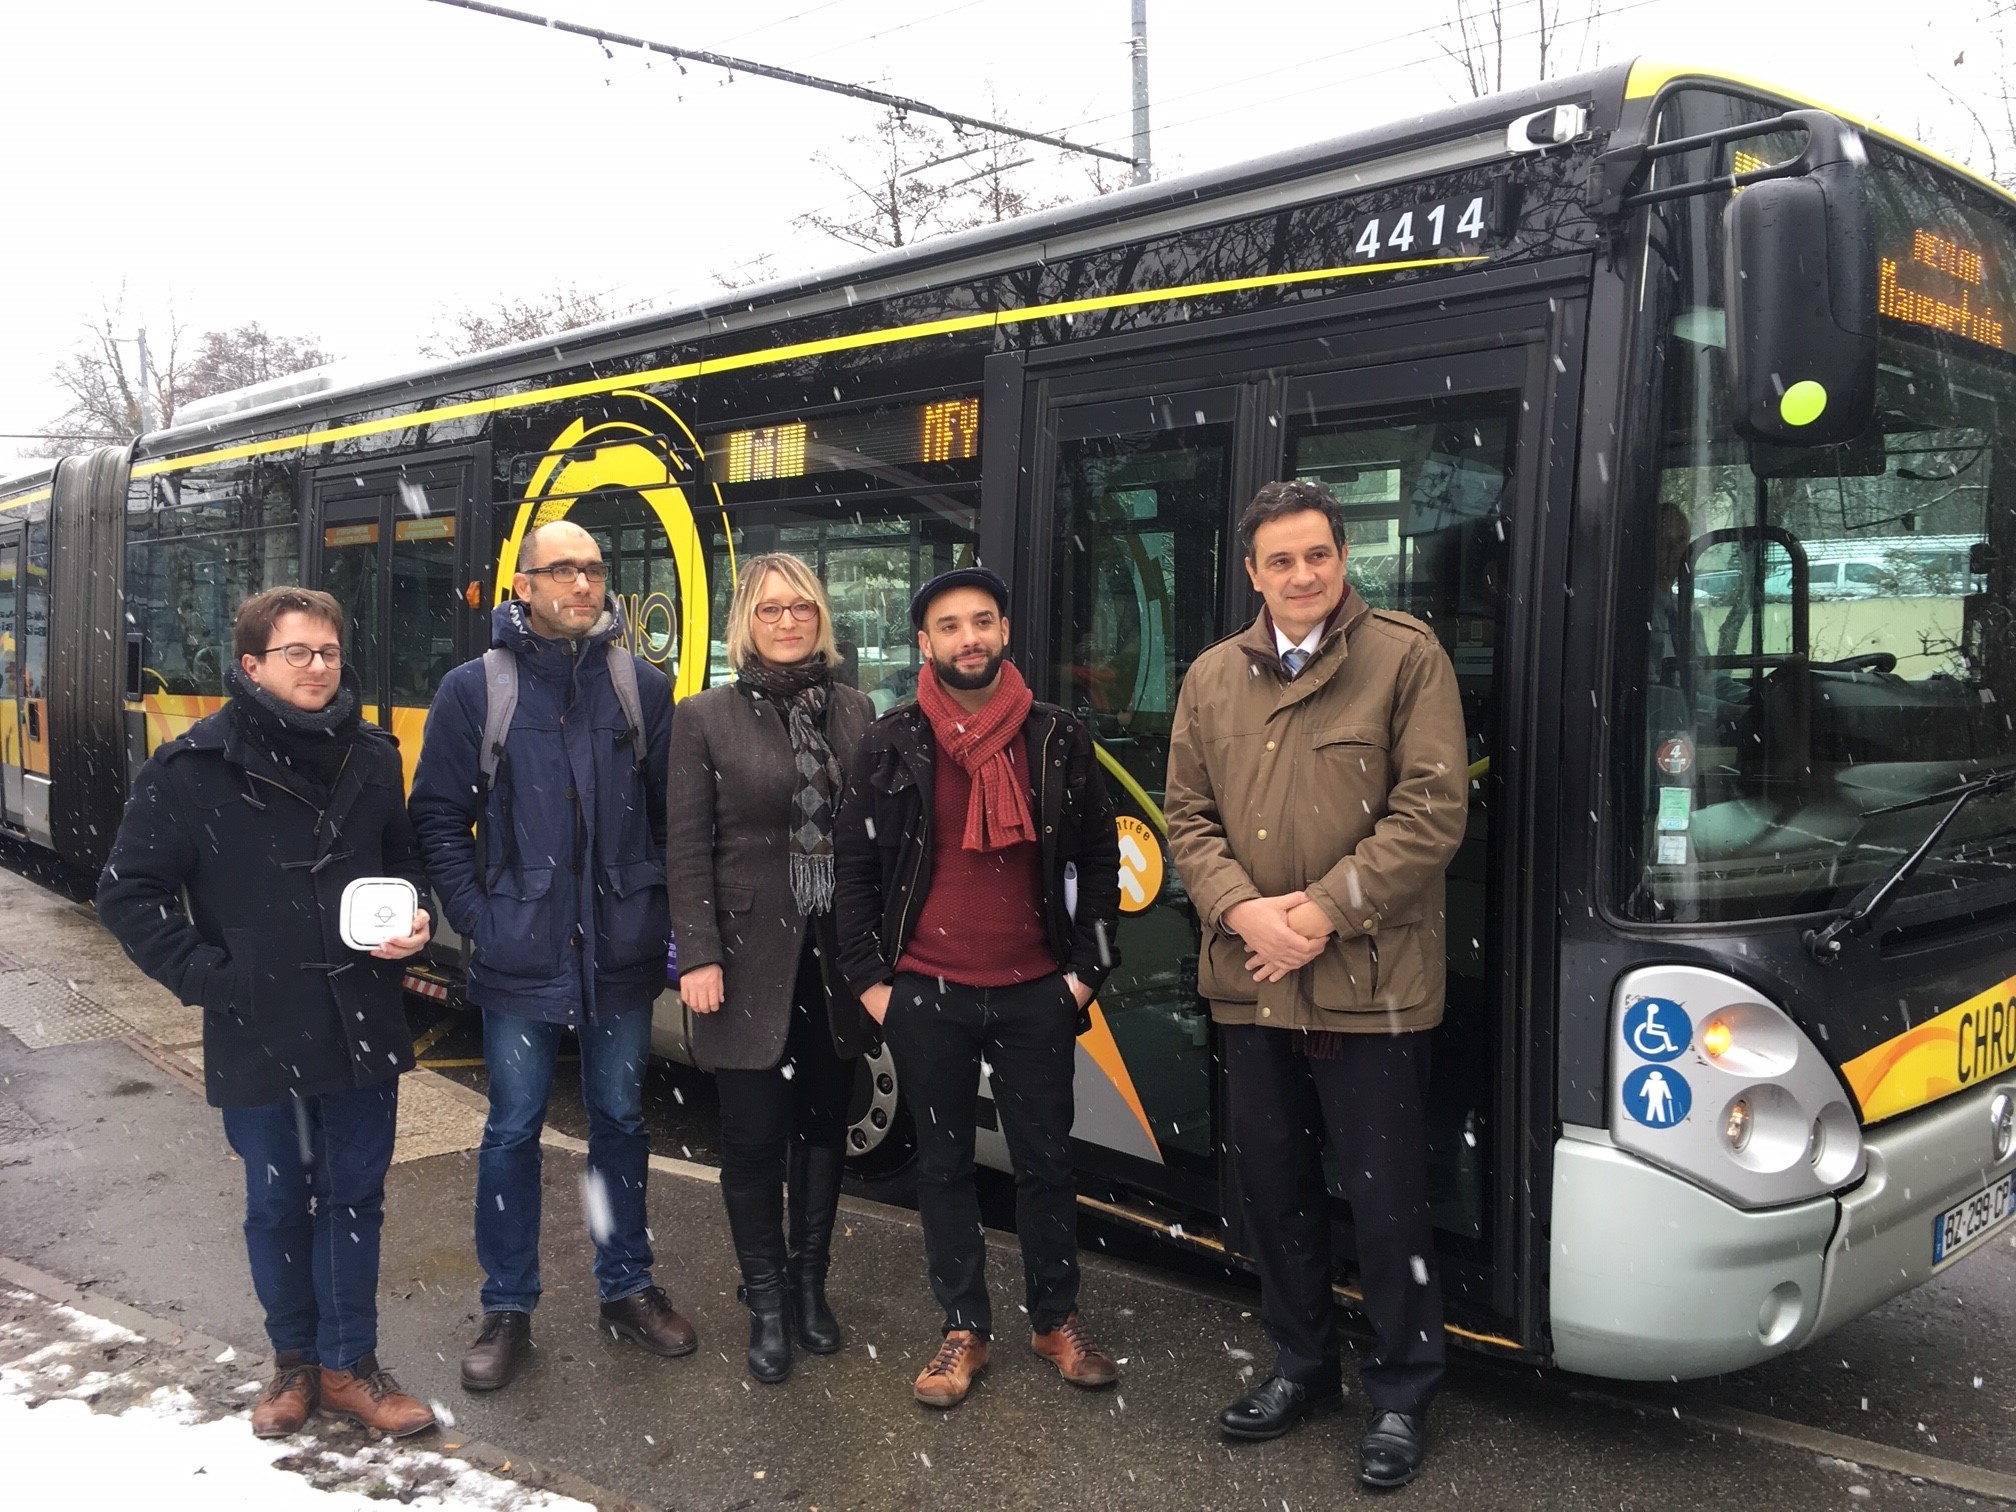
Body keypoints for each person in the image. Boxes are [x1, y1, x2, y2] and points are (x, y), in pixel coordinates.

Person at [1164, 480, 1469, 1491]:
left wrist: (1314, 916)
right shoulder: (1210, 677)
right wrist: (1245, 913)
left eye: (1318, 557)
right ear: (1252, 574)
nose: (1302, 576)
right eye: (1280, 561)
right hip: (1250, 981)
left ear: (1344, 561)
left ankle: (1402, 1389)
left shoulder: (1405, 657)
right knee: (1276, 1193)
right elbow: (1189, 822)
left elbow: (1430, 815)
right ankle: (1301, 1365)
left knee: (1386, 1206)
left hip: (1369, 987)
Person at [98, 586, 437, 1440]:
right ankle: (292, 1366)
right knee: (279, 1202)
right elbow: (127, 895)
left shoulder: (373, 756)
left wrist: (415, 922)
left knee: (356, 1198)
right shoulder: (188, 770)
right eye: (299, 653)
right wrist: (216, 980)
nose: (319, 667)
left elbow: (405, 867)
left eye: (328, 652)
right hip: (258, 1027)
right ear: (251, 665)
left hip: (360, 1020)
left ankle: (349, 1366)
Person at [832, 565, 1123, 1409]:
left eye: (983, 621)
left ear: (1003, 632)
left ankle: (1055, 1320)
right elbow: (853, 871)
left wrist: (1085, 974)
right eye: (951, 626)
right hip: (926, 992)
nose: (970, 638)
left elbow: (1098, 866)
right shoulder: (891, 741)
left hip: (1037, 990)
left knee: (1046, 1163)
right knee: (946, 1166)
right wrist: (872, 985)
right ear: (925, 643)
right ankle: (963, 1327)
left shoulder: (1056, 735)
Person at [408, 520, 688, 1393]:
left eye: (594, 568)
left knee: (620, 1122)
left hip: (621, 949)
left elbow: (673, 821)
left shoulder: (641, 686)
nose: (582, 582)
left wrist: (661, 920)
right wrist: (479, 919)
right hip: (517, 950)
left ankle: (625, 1285)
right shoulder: (473, 690)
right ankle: (507, 1303)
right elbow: (437, 819)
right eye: (561, 569)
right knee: (513, 1130)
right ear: (522, 586)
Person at [665, 553, 876, 1383]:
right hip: (744, 964)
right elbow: (686, 849)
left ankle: (808, 1286)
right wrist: (699, 954)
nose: (787, 622)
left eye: (801, 609)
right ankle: (764, 1299)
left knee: (824, 1131)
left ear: (820, 617)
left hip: (834, 963)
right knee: (753, 1141)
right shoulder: (704, 717)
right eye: (769, 610)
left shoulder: (857, 711)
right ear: (744, 623)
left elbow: (872, 843)